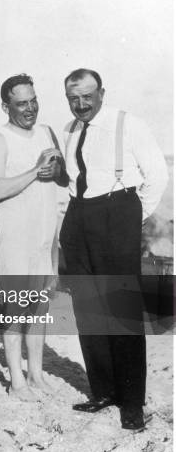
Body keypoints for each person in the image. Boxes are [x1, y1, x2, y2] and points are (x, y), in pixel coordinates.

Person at [59, 69, 168, 430]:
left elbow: (157, 176)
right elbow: (73, 179)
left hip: (118, 211)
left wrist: (132, 217)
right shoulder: (70, 130)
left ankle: (132, 404)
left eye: (87, 96)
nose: (81, 104)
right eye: (73, 98)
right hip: (79, 215)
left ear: (102, 93)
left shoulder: (128, 124)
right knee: (87, 306)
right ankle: (104, 390)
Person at [0, 74, 66, 401]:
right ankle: (16, 381)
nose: (30, 108)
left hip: (44, 236)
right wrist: (35, 171)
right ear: (6, 106)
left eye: (33, 100)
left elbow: (59, 177)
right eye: (21, 103)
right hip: (15, 238)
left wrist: (53, 170)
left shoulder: (46, 132)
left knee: (39, 308)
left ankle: (35, 373)